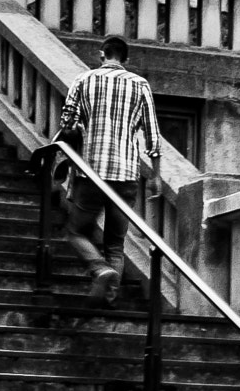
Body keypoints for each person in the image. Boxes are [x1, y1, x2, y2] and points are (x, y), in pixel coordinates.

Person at [55, 34, 162, 306]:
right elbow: (152, 136)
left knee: (75, 230)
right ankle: (109, 301)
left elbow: (67, 122)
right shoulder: (140, 85)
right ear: (126, 59)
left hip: (90, 173)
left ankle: (99, 269)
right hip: (126, 175)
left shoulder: (84, 79)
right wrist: (156, 177)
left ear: (102, 54)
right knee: (115, 243)